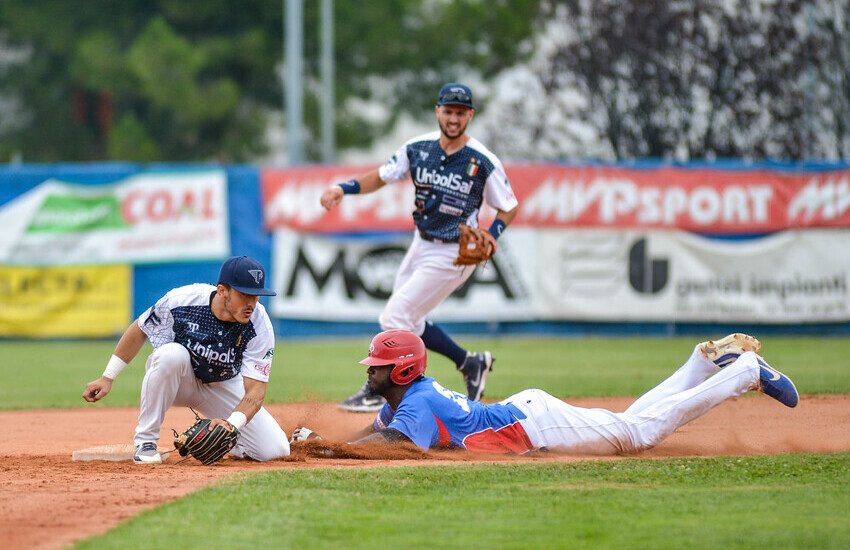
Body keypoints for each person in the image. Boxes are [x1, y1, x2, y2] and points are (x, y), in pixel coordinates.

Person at [320, 82, 519, 412]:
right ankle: (469, 363)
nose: (453, 119)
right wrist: (344, 188)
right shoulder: (418, 148)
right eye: (448, 111)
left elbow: (508, 205)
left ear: (470, 115)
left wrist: (494, 233)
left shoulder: (482, 160)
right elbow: (382, 176)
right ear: (437, 111)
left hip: (454, 251)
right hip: (421, 243)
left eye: (460, 112)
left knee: (394, 315)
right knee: (409, 321)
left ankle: (381, 391)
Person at [290, 331, 798, 454]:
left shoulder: (416, 403)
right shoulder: (405, 398)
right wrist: (326, 445)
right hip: (529, 416)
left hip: (535, 426)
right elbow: (373, 434)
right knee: (627, 424)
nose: (370, 374)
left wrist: (326, 448)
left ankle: (743, 372)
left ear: (400, 372)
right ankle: (701, 363)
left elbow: (396, 449)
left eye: (378, 368)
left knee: (637, 435)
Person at [82, 256, 290, 464]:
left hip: (222, 385)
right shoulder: (183, 301)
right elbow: (140, 328)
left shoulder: (259, 324)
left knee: (275, 450)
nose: (251, 304)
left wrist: (231, 424)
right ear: (222, 290)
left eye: (256, 297)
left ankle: (236, 444)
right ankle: (145, 442)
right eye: (245, 295)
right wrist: (107, 377)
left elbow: (256, 390)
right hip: (180, 380)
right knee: (171, 354)